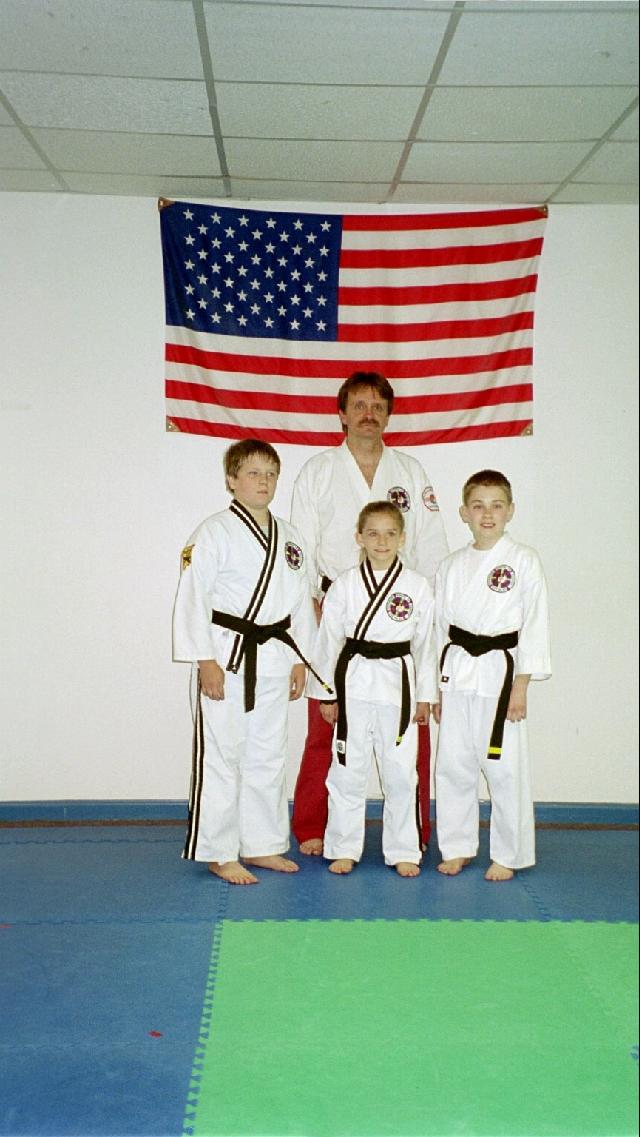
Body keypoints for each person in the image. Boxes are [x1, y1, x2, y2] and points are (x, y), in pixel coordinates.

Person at [290, 370, 448, 855]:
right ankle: (313, 825)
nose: (368, 414)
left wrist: (430, 613)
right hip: (335, 609)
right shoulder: (318, 471)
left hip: (401, 611)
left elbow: (432, 547)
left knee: (410, 730)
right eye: (358, 405)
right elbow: (300, 548)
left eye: (378, 406)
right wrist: (308, 608)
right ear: (341, 413)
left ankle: (415, 833)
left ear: (388, 415)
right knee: (327, 724)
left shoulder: (410, 471)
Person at [173, 439, 319, 886]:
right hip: (226, 653)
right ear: (231, 480)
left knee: (268, 754)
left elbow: (301, 601)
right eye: (253, 473)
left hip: (275, 655)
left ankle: (262, 843)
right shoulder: (212, 531)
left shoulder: (290, 536)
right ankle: (219, 851)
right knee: (222, 754)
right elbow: (193, 597)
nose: (263, 482)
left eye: (271, 474)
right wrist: (205, 660)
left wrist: (300, 658)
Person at [307, 502, 438, 877]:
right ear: (359, 537)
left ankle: (404, 848)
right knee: (347, 769)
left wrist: (425, 696)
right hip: (353, 684)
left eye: (390, 533)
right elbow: (328, 642)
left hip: (399, 687)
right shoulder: (345, 584)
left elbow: (426, 645)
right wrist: (327, 694)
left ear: (403, 538)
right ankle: (342, 846)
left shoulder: (417, 586)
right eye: (373, 533)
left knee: (400, 771)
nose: (382, 541)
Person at [433, 470, 551, 882]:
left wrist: (522, 685)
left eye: (497, 505)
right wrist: (436, 688)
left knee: (505, 769)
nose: (487, 514)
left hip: (502, 676)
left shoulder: (524, 560)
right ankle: (457, 846)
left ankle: (509, 853)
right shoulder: (450, 565)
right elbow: (438, 630)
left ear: (511, 510)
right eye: (478, 506)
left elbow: (534, 625)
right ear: (464, 512)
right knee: (454, 764)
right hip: (457, 672)